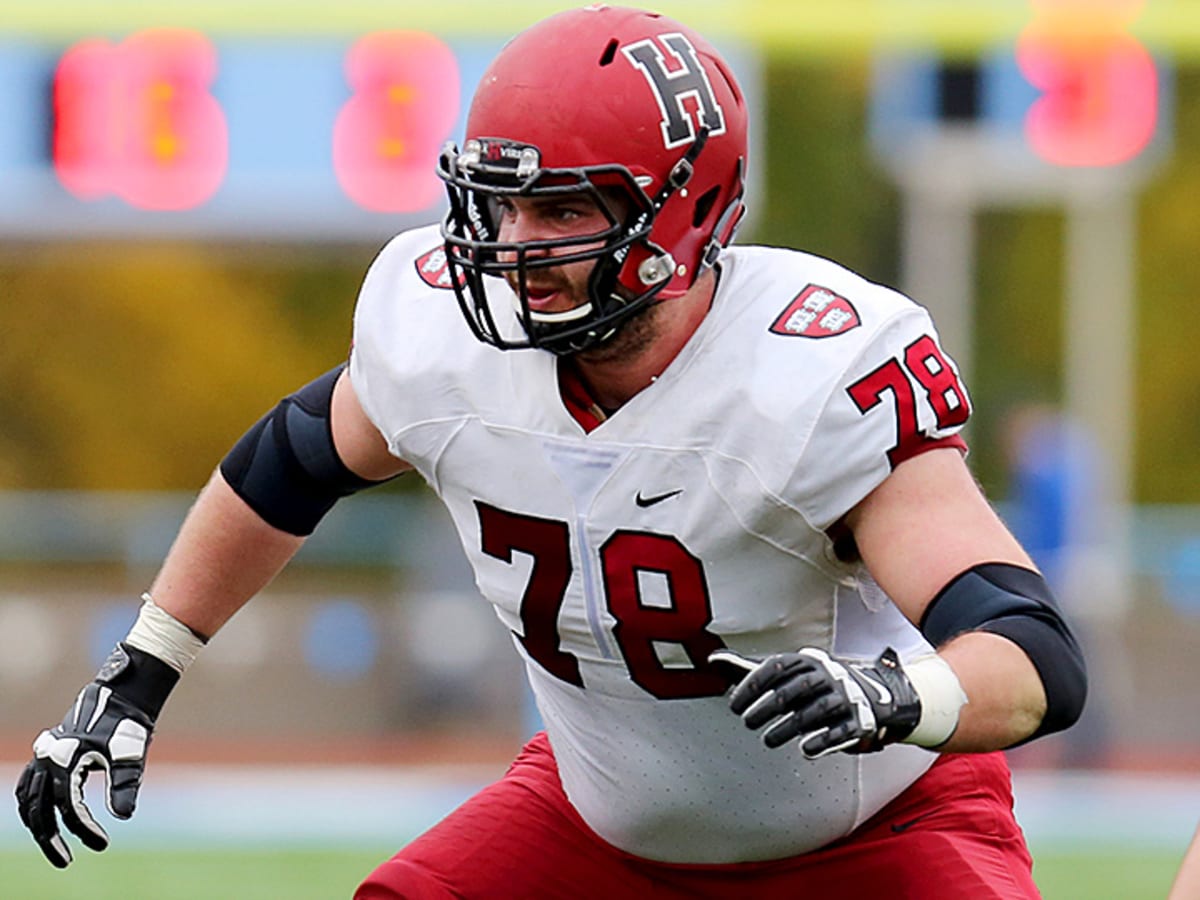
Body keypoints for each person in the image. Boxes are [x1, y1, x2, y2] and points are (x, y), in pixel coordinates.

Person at [15, 6, 1087, 897]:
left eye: (562, 208)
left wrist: (894, 697)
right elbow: (291, 460)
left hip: (874, 838)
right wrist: (140, 674)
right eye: (502, 205)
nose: (517, 249)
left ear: (688, 214)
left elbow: (1033, 652)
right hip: (598, 832)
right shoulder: (442, 342)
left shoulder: (808, 374)